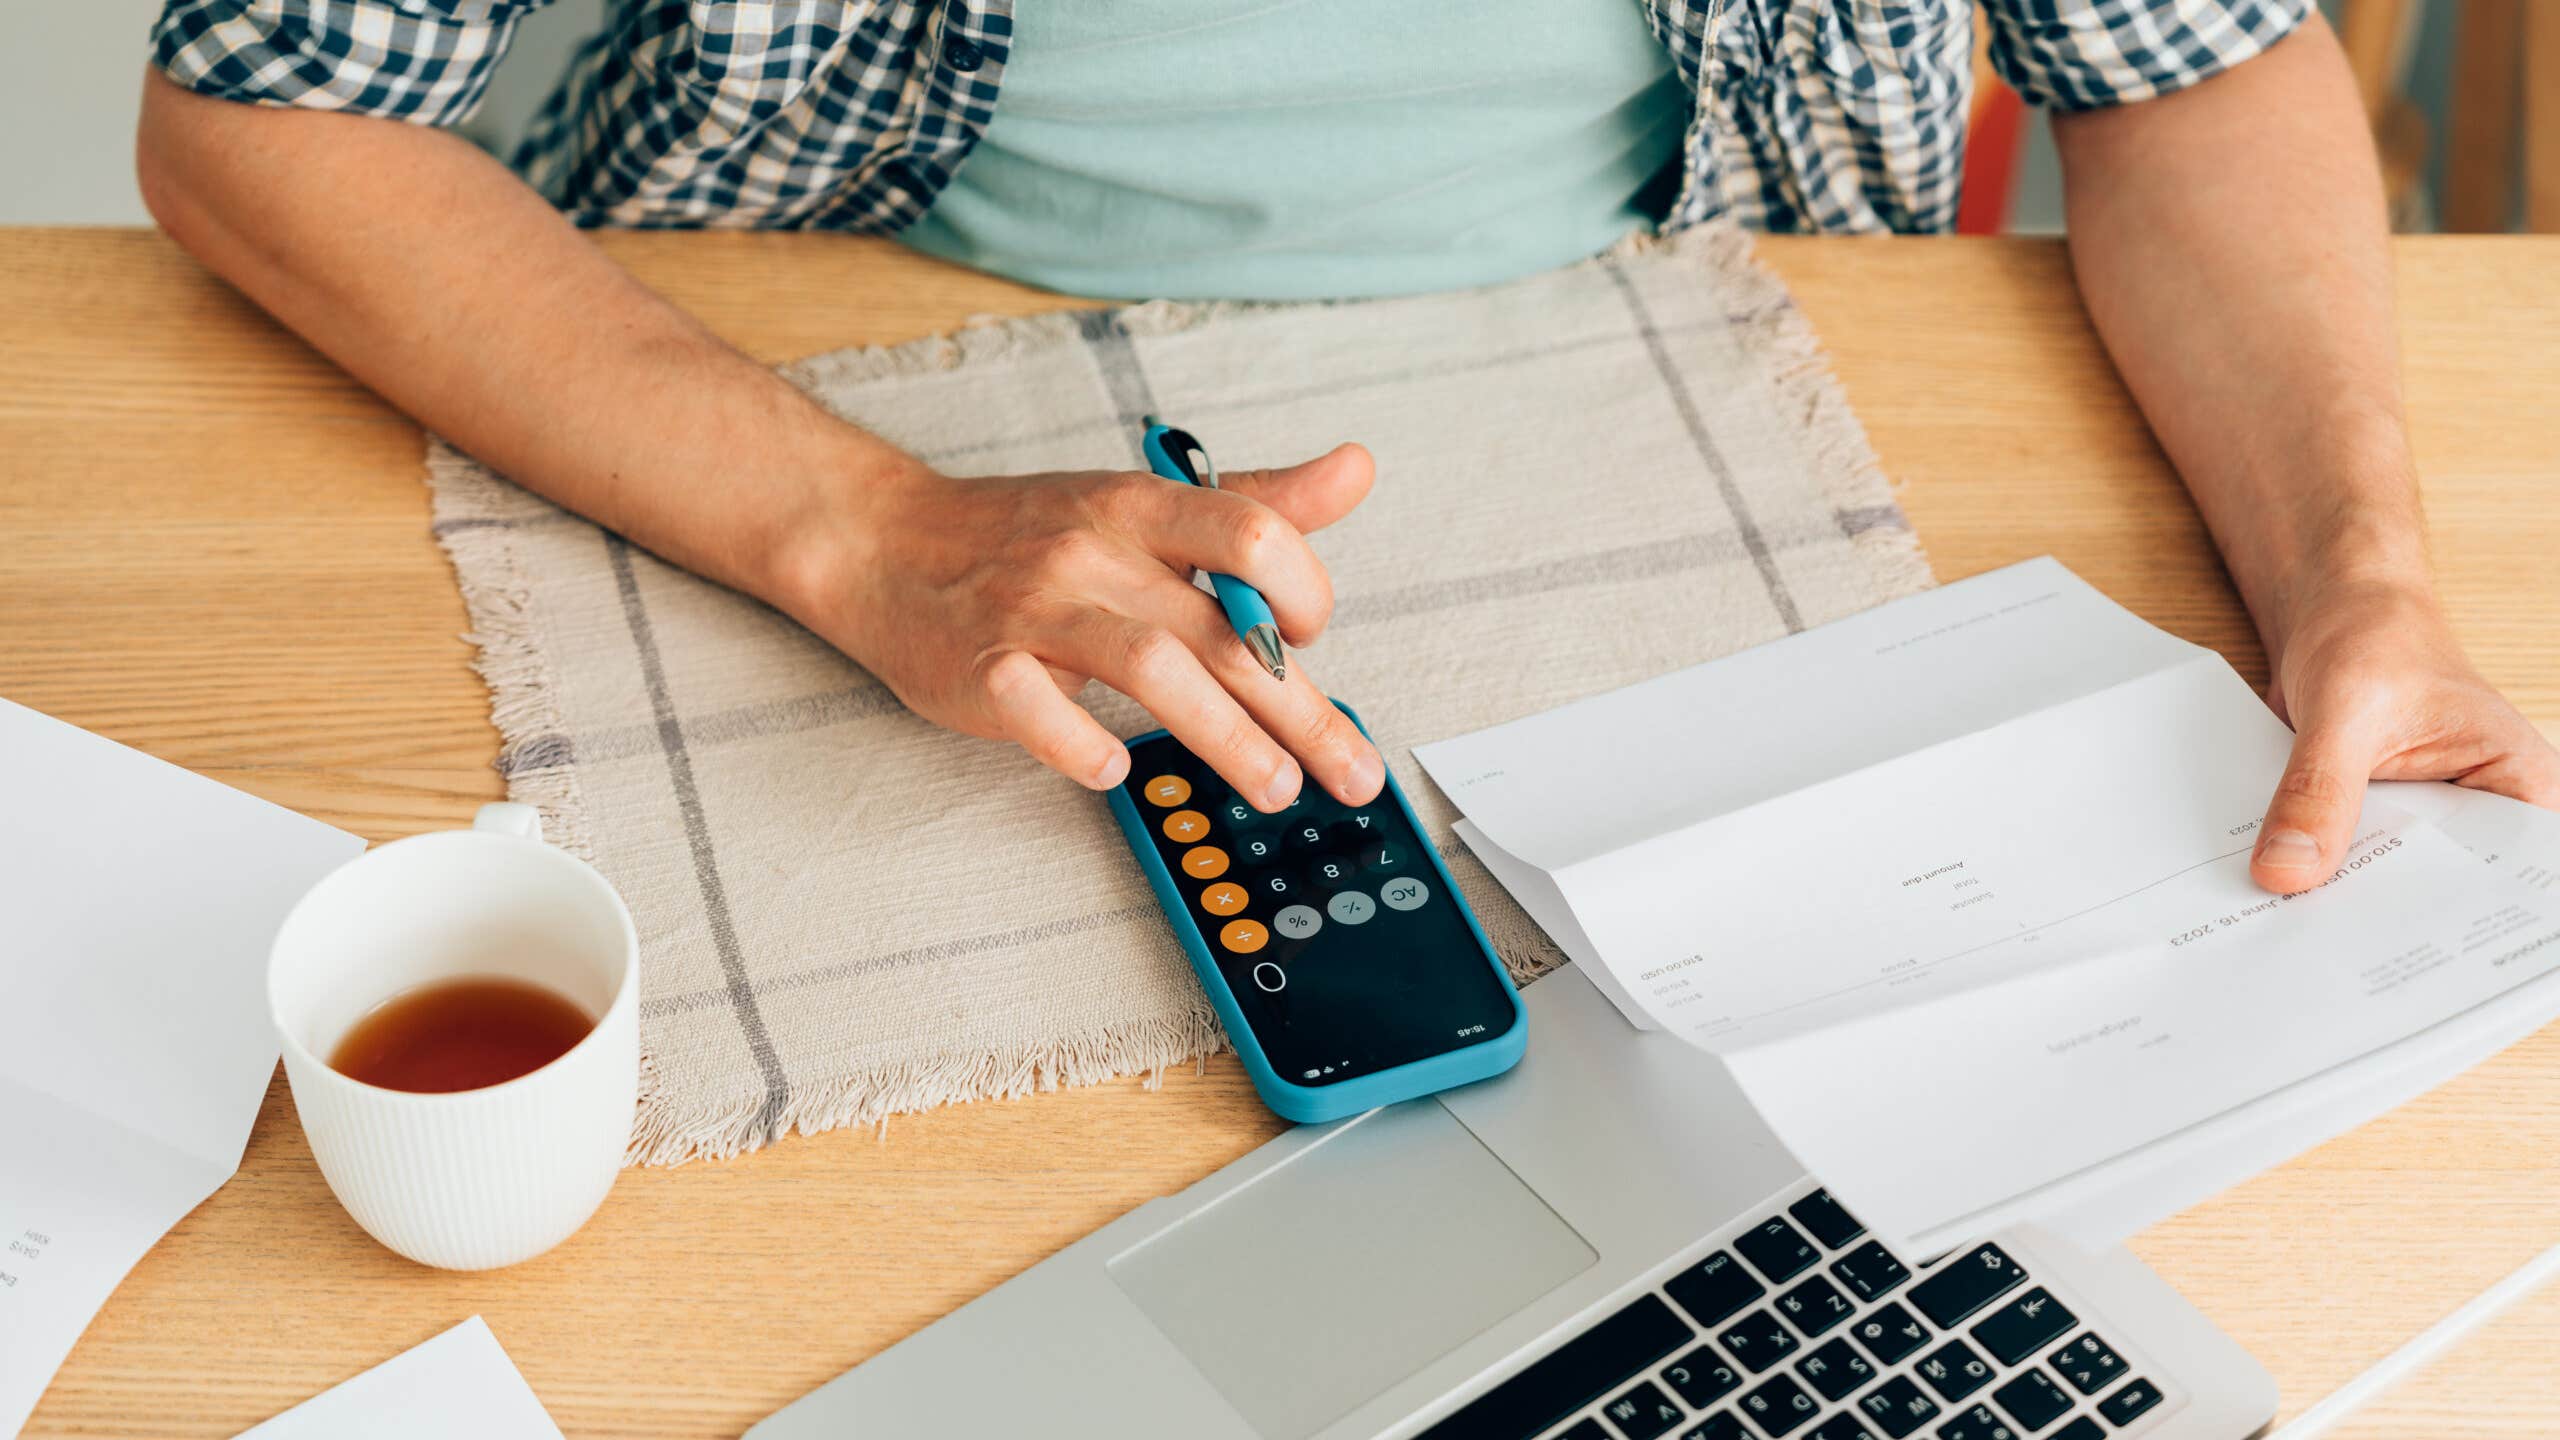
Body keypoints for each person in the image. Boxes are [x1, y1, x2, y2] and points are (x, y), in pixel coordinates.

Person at [135, 0, 2558, 896]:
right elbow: (259, 111)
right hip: (800, 374)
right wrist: (862, 525)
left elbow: (2191, 63)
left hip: (1724, 366)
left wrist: (2353, 569)